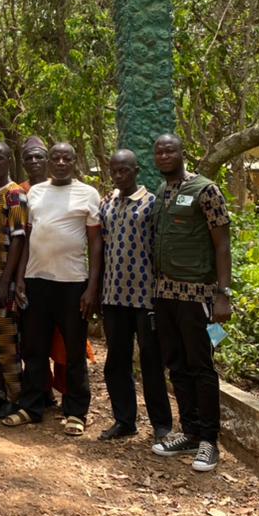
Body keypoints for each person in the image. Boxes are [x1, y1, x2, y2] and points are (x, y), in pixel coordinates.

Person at [150, 134, 233, 472]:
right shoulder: (162, 191)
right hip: (165, 294)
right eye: (159, 151)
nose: (164, 155)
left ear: (183, 153)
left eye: (170, 150)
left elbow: (222, 245)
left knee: (201, 366)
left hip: (197, 295)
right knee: (177, 365)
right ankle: (190, 433)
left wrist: (223, 294)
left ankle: (209, 441)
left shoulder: (206, 190)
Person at [7, 142, 101, 436]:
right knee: (33, 348)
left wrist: (92, 287)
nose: (61, 162)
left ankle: (76, 411)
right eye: (56, 158)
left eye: (66, 158)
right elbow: (28, 237)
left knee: (74, 350)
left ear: (74, 161)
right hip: (36, 281)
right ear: (49, 162)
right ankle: (32, 407)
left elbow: (95, 243)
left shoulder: (88, 193)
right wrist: (20, 277)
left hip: (73, 283)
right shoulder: (35, 192)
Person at [98, 149, 172, 442]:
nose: (119, 176)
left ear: (136, 170)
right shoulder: (107, 203)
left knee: (151, 362)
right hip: (113, 295)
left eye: (125, 170)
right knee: (116, 361)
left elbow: (159, 248)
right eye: (115, 171)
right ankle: (124, 420)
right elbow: (102, 247)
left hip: (145, 297)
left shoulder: (151, 203)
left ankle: (162, 425)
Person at [0, 142, 27, 418]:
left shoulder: (15, 194)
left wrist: (5, 281)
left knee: (8, 342)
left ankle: (15, 398)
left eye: (0, 158)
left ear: (9, 160)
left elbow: (19, 239)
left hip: (3, 279)